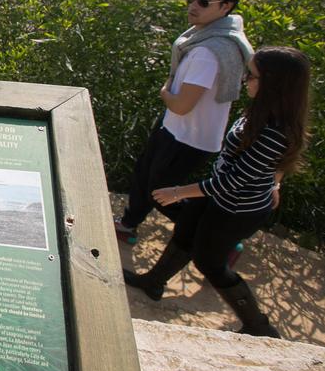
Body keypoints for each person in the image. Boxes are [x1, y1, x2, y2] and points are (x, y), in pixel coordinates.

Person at [123, 46, 312, 338]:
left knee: (209, 261)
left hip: (236, 208)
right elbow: (268, 165)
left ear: (274, 84)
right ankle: (154, 282)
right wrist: (275, 182)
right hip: (219, 196)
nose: (245, 80)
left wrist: (177, 191)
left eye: (252, 75)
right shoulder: (264, 112)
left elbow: (233, 182)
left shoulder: (275, 131)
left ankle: (258, 325)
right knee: (185, 232)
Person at [115, 0, 253, 242]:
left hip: (188, 137)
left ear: (226, 7)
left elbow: (181, 105)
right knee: (145, 176)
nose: (193, 6)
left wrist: (164, 91)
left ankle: (215, 238)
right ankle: (128, 224)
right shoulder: (212, 36)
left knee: (161, 193)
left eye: (203, 2)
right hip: (176, 130)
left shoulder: (208, 52)